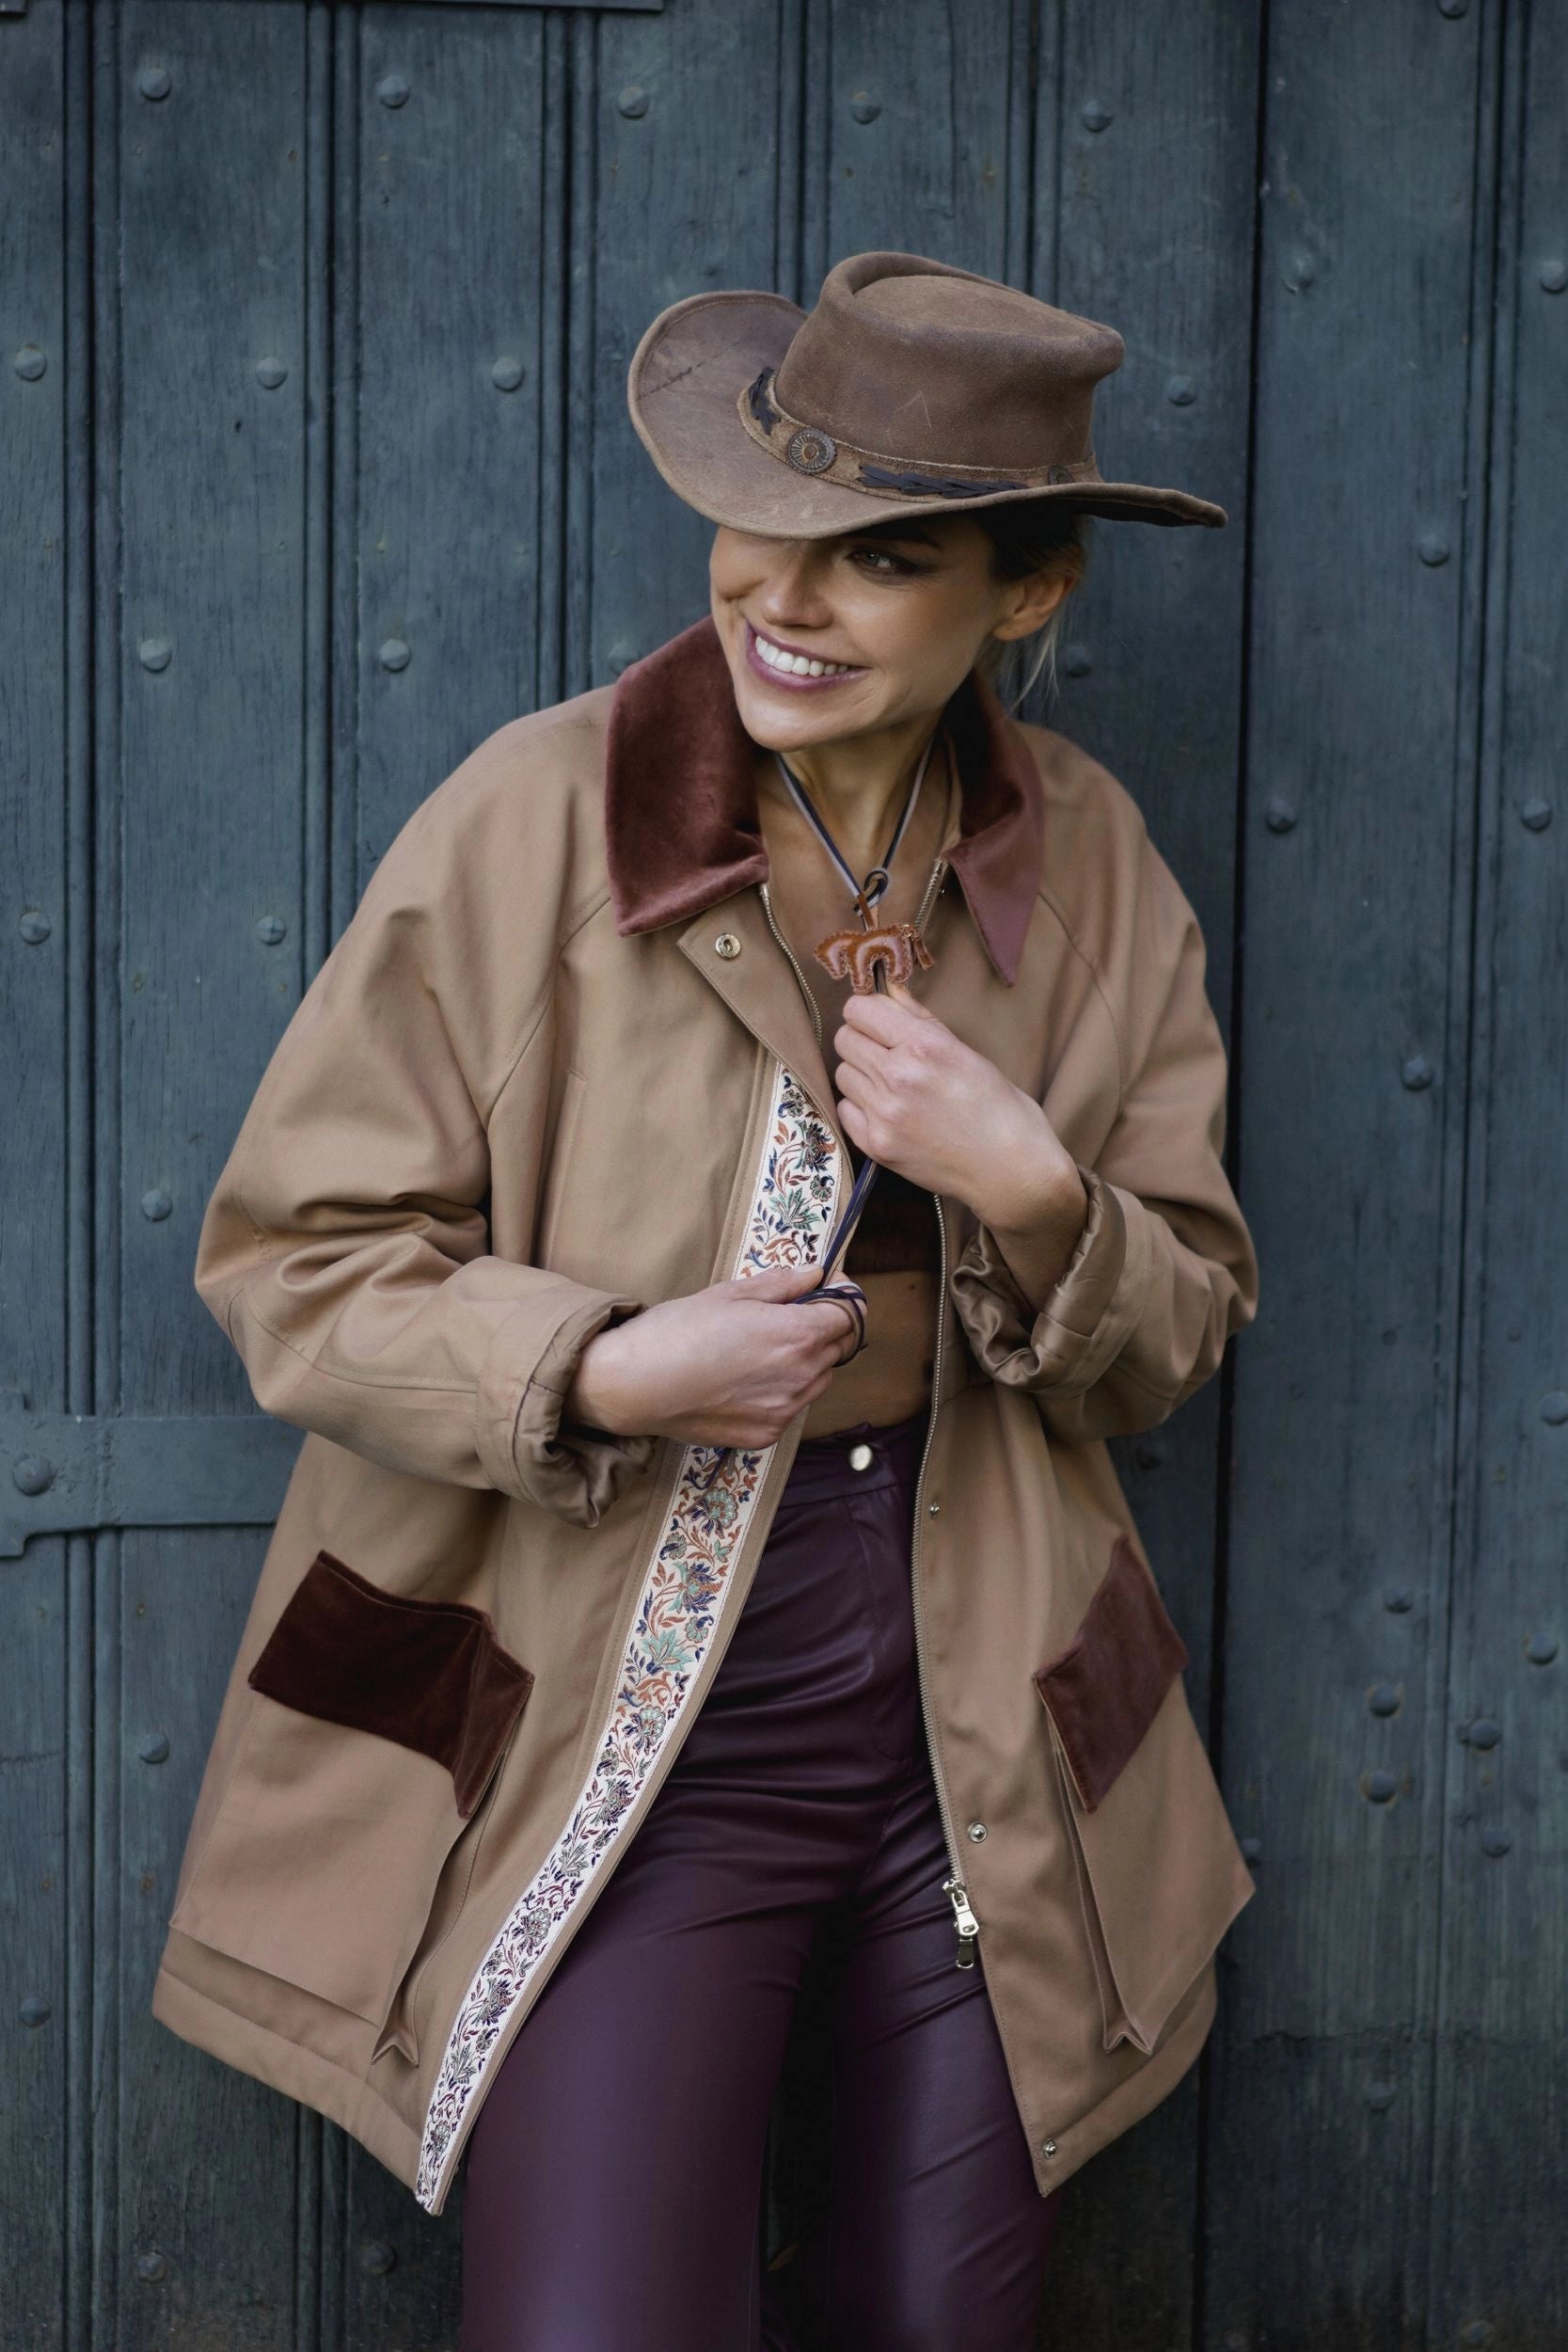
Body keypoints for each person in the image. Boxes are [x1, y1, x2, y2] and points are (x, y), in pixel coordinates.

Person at [151, 251, 1260, 2352]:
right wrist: (601, 1361)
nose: (781, 596)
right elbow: (291, 1256)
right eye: (759, 523)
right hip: (614, 1698)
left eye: (882, 558)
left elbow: (1182, 1321)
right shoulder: (529, 818)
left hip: (980, 1703)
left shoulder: (1095, 864)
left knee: (937, 2320)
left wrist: (1028, 1177)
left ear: (1023, 596)